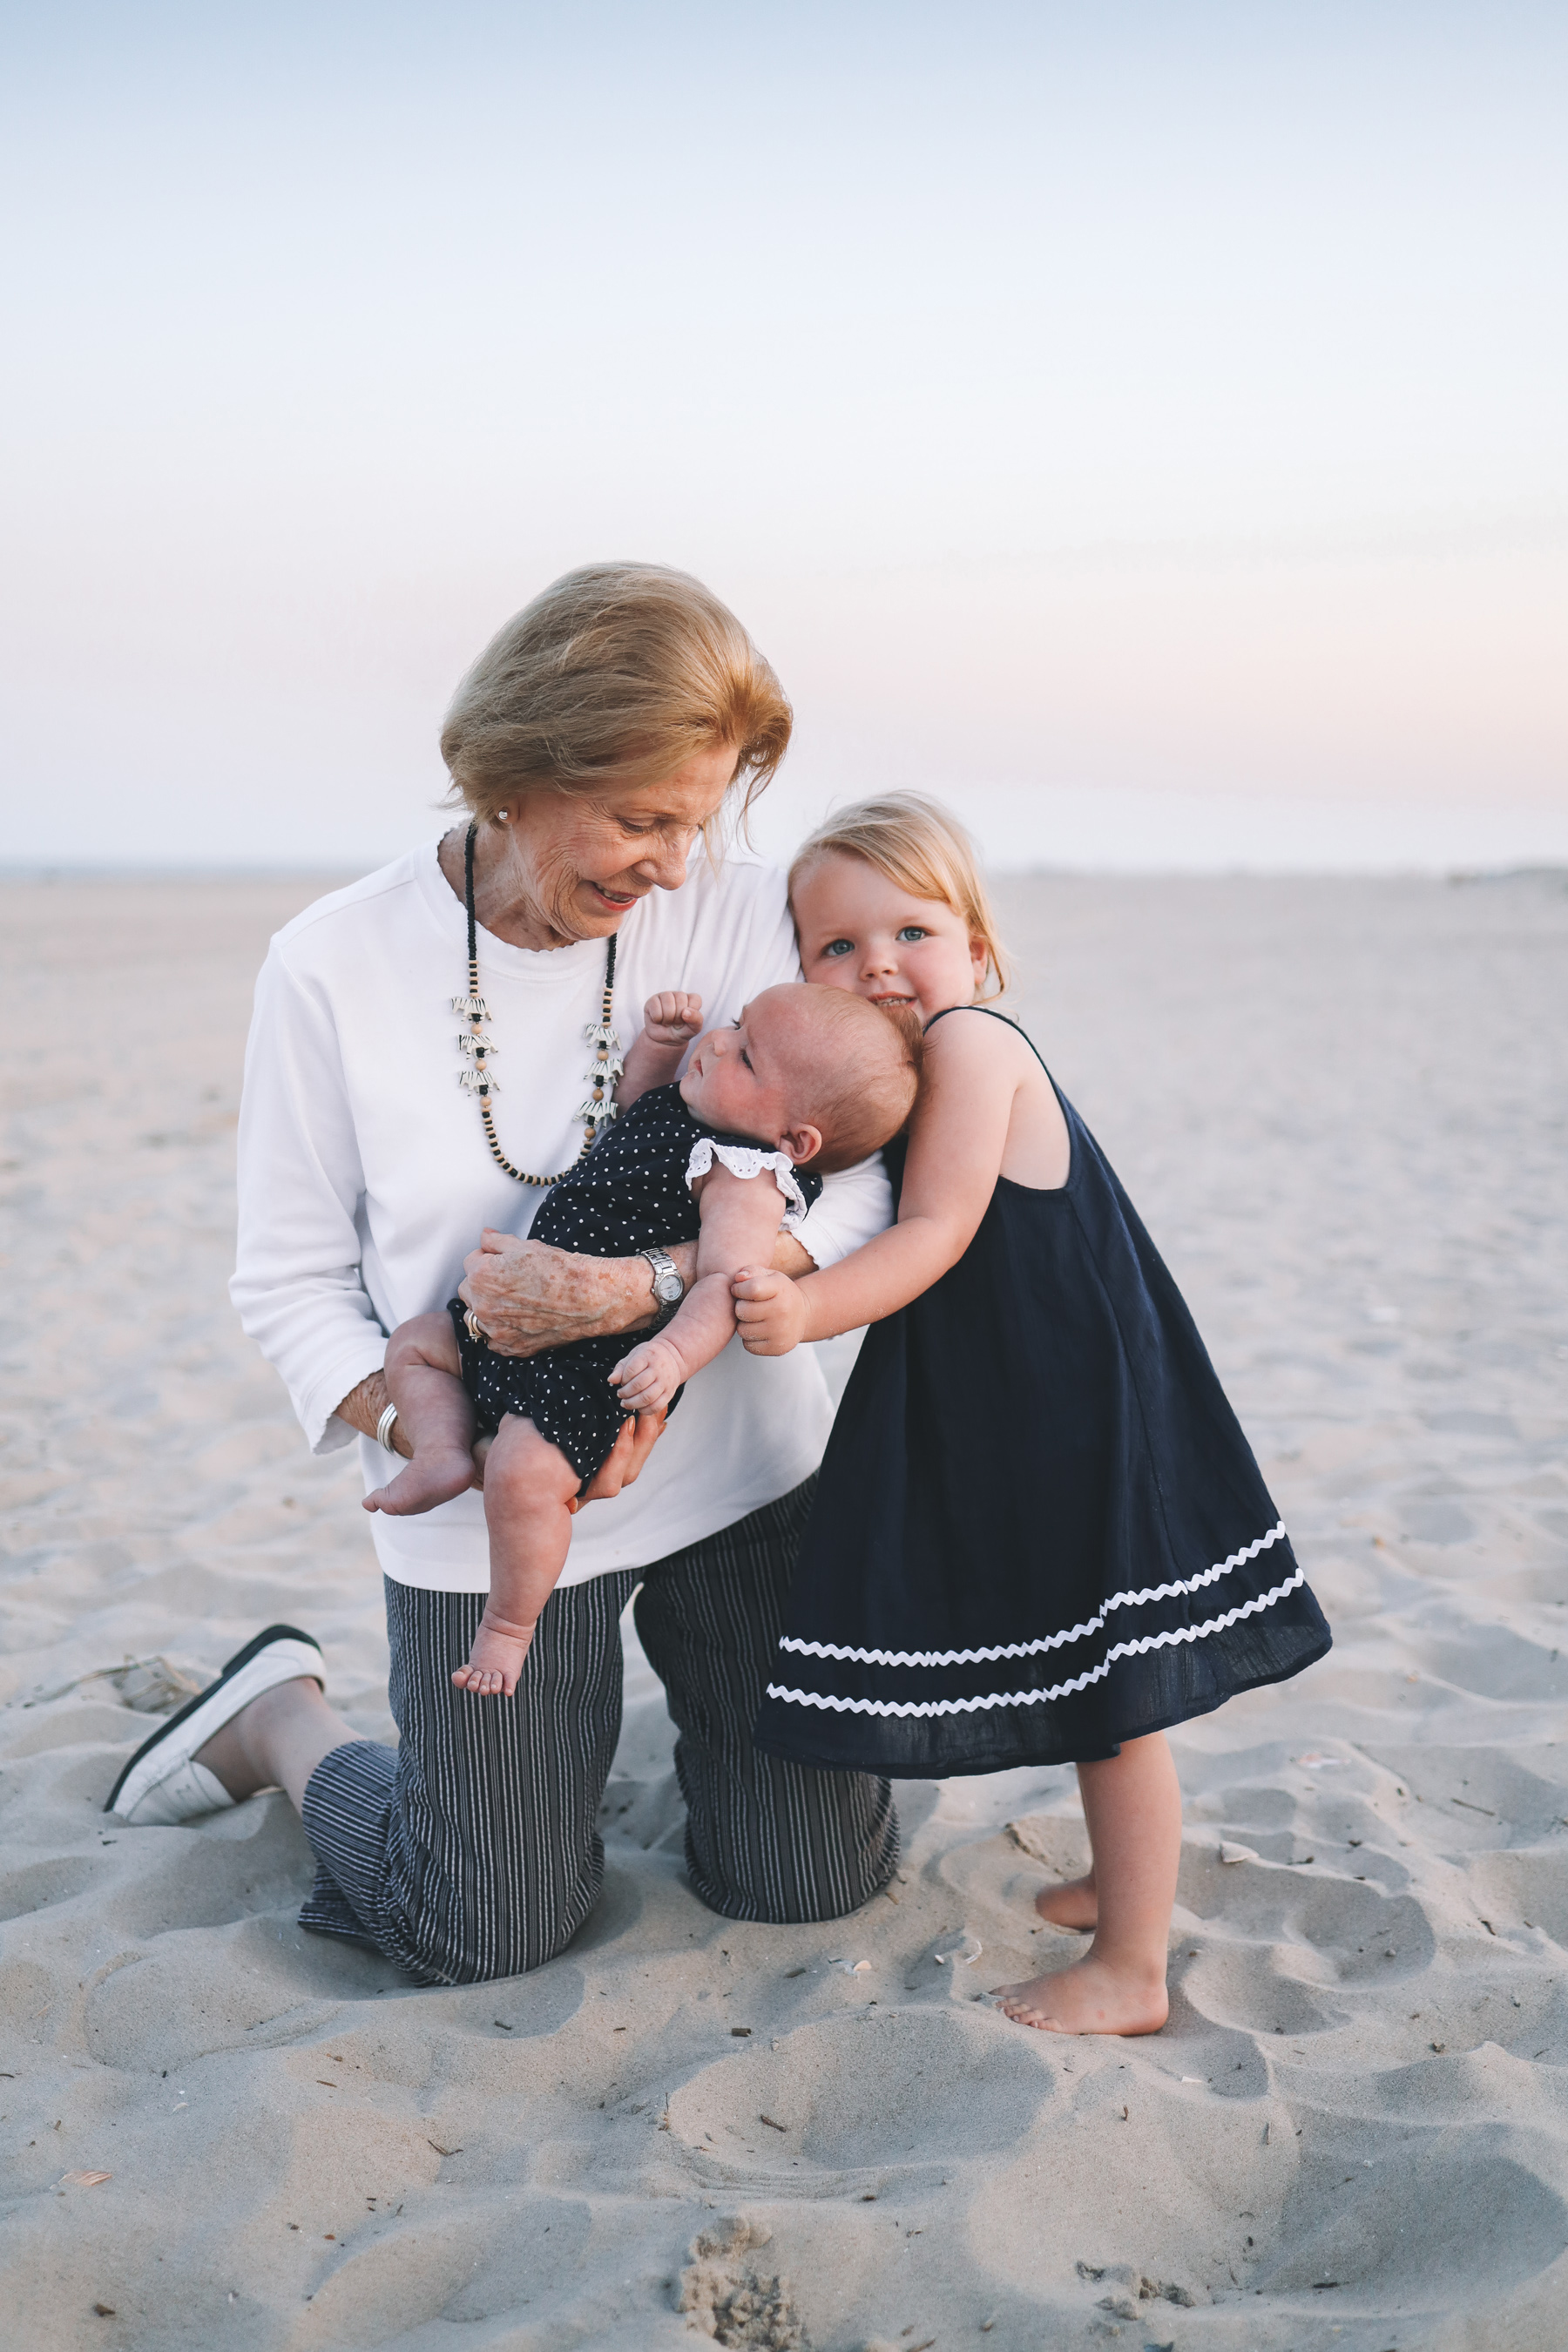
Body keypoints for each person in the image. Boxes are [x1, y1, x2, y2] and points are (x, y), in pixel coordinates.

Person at [103, 564, 902, 1985]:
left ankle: (670, 1746)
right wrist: (462, 1433)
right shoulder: (331, 965)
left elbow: (861, 1181)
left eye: (697, 819)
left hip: (740, 1474)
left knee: (805, 1883)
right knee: (476, 1930)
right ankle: (282, 1714)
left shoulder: (738, 916)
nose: (671, 862)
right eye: (640, 815)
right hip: (496, 1496)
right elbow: (287, 1285)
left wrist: (651, 1291)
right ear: (519, 768)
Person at [734, 792, 1332, 2038]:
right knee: (1081, 1653)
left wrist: (811, 1311)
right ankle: (1119, 1883)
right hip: (1022, 1386)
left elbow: (935, 1233)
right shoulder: (904, 1070)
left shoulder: (973, 1045)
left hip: (1064, 1399)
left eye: (911, 931)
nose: (878, 966)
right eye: (836, 949)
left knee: (1114, 1694)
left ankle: (1132, 1966)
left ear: (978, 946)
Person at [365, 980, 920, 1699]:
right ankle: (440, 1449)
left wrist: (671, 1353)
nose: (717, 1043)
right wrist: (659, 1049)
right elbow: (627, 1108)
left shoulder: (747, 1176)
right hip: (503, 1323)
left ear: (794, 1141)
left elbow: (725, 1280)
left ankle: (506, 1628)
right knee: (416, 1344)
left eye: (746, 1057)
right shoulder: (684, 1108)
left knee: (525, 1477)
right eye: (733, 1026)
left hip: (596, 1367)